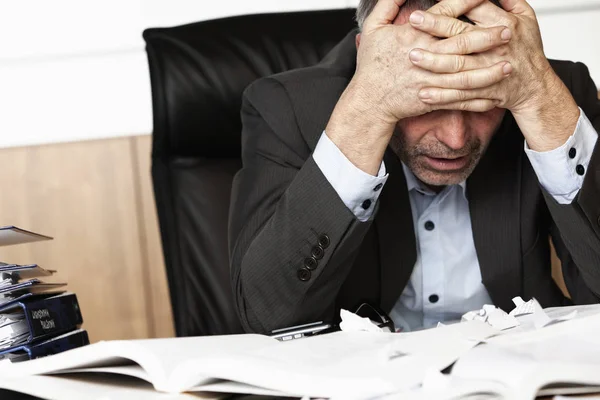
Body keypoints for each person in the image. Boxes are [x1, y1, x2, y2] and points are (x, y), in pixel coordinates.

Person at [228, 0, 600, 333]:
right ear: (368, 63)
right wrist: (367, 109)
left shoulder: (549, 94)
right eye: (427, 100)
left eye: (484, 100)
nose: (455, 139)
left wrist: (541, 100)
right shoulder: (288, 107)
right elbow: (265, 316)